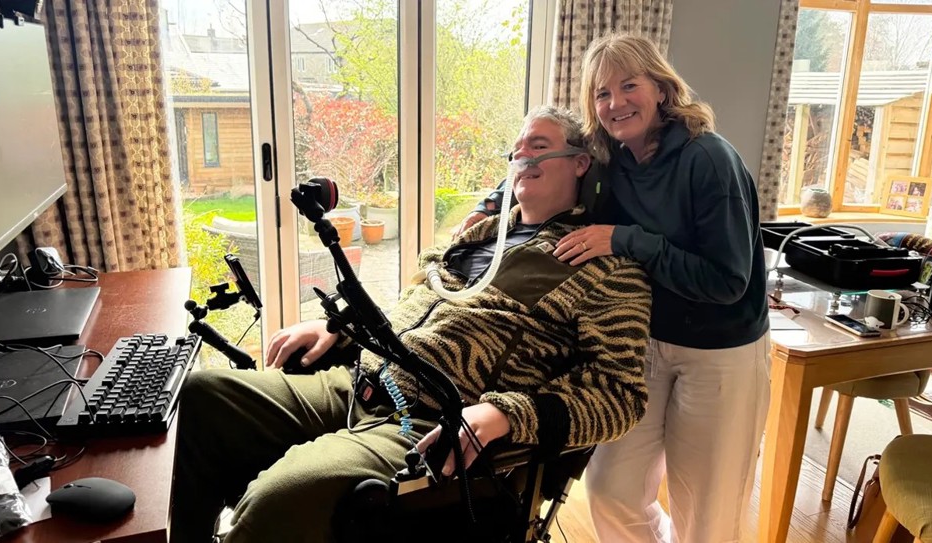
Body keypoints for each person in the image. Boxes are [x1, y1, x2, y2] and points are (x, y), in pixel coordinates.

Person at [170, 106, 653, 543]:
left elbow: (620, 395)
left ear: (580, 162)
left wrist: (506, 414)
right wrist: (339, 326)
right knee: (202, 396)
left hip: (429, 425)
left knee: (278, 497)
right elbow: (417, 308)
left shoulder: (606, 269)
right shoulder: (476, 238)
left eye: (539, 146)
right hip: (360, 385)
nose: (522, 156)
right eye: (518, 148)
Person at [456, 34, 771, 543]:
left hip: (720, 350)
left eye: (630, 86)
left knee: (708, 512)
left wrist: (627, 240)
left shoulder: (709, 159)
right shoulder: (609, 156)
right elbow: (541, 153)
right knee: (611, 489)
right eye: (602, 93)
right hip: (643, 340)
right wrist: (493, 206)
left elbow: (728, 281)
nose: (616, 103)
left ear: (662, 89)